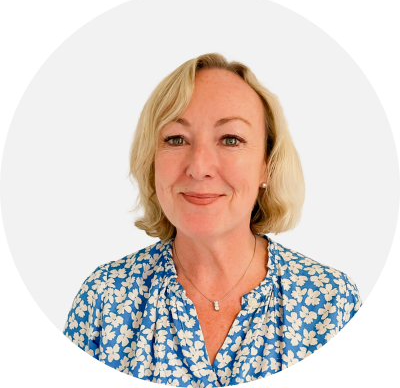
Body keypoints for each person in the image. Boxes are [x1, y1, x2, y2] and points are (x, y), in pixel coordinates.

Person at [63, 53, 362, 385]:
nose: (199, 167)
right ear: (152, 161)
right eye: (176, 139)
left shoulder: (331, 303)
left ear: (267, 165)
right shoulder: (104, 299)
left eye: (231, 139)